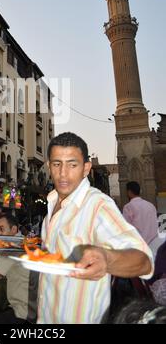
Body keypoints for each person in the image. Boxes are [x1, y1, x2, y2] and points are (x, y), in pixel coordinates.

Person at [37, 132, 153, 324]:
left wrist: (107, 260)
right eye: (57, 164)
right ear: (49, 166)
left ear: (86, 168)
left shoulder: (97, 205)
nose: (63, 173)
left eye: (72, 164)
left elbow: (145, 261)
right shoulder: (51, 206)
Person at [0, 213, 38, 324]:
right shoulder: (24, 243)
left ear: (14, 229)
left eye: (2, 229)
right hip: (36, 310)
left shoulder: (11, 248)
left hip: (22, 313)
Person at [123, 181, 162, 258]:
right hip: (154, 246)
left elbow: (125, 229)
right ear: (140, 191)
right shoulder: (151, 206)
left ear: (129, 192)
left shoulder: (128, 207)